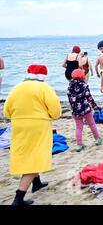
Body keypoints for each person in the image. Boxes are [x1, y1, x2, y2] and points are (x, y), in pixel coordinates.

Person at [3, 65, 61, 205]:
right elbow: (55, 110)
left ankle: (37, 182)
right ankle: (18, 198)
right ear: (42, 77)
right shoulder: (44, 87)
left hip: (19, 126)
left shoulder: (17, 87)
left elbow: (6, 112)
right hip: (38, 126)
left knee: (28, 154)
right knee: (35, 158)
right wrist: (50, 116)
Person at [67, 69, 103, 152]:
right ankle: (97, 139)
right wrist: (95, 106)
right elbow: (89, 97)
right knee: (92, 124)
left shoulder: (70, 86)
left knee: (79, 128)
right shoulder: (84, 85)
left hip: (75, 110)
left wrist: (73, 107)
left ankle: (79, 145)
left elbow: (70, 98)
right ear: (82, 76)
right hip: (85, 109)